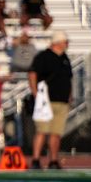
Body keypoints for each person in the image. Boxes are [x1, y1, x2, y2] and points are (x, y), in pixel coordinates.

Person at [29, 30, 72, 169]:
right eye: (65, 41)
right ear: (57, 42)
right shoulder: (43, 56)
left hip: (62, 101)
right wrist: (36, 93)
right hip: (46, 100)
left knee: (56, 133)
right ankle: (36, 160)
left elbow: (69, 79)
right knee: (42, 130)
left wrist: (70, 96)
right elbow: (32, 74)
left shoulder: (65, 58)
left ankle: (53, 160)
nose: (67, 44)